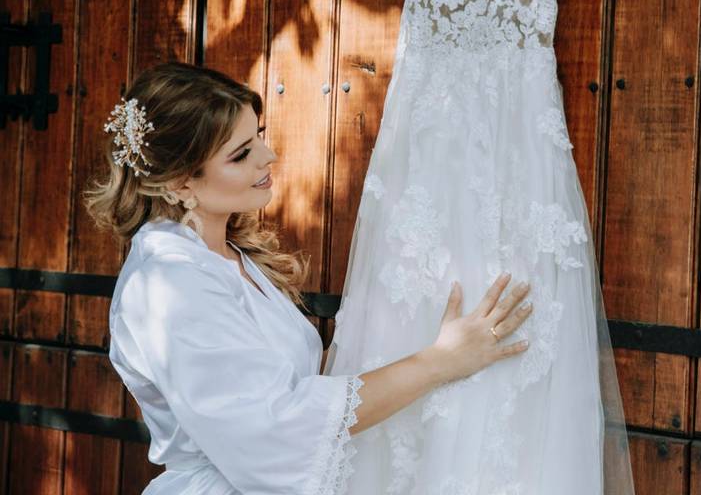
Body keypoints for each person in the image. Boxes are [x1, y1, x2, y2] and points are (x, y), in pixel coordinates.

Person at [85, 62, 534, 495]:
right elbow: (276, 425)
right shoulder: (169, 287)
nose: (269, 155)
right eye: (241, 155)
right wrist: (440, 361)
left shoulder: (221, 256)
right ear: (182, 184)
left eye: (257, 136)